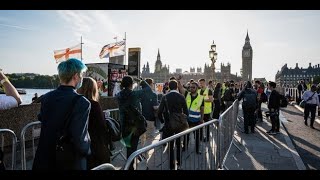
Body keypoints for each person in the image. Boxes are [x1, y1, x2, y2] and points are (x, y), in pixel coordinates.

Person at [33, 58, 91, 170]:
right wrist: (87, 150)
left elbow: (43, 118)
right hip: (68, 159)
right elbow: (80, 138)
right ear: (75, 76)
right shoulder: (82, 102)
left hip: (44, 156)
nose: (81, 78)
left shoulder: (47, 97)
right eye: (81, 75)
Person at [117, 76, 152, 170]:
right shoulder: (134, 94)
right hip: (134, 125)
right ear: (131, 84)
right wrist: (141, 80)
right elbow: (148, 89)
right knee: (134, 147)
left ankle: (130, 165)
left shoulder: (119, 95)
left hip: (124, 124)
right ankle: (131, 166)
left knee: (129, 148)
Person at [77, 77, 111, 169]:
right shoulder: (94, 105)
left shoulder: (76, 103)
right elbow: (102, 126)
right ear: (93, 89)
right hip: (94, 145)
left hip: (79, 145)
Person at [157, 80, 189, 170]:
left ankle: (171, 166)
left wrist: (163, 121)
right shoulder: (181, 97)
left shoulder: (165, 97)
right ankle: (179, 164)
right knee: (179, 144)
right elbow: (186, 112)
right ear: (176, 87)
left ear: (169, 87)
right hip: (179, 124)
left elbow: (159, 112)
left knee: (170, 145)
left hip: (168, 124)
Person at [140, 78, 159, 148]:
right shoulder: (153, 94)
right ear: (150, 84)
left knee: (142, 138)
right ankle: (145, 153)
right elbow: (155, 107)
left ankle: (141, 153)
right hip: (150, 119)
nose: (153, 85)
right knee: (150, 137)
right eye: (153, 83)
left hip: (141, 118)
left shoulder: (140, 92)